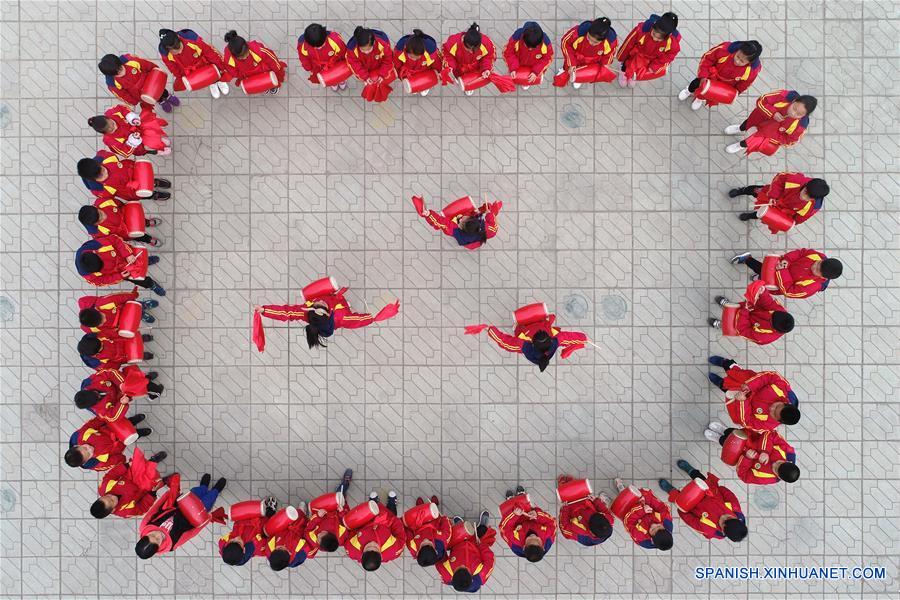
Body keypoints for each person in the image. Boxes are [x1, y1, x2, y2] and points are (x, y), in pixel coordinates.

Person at [254, 281, 400, 351]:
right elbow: (362, 320)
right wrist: (380, 314)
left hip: (334, 301)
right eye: (319, 305)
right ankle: (344, 301)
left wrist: (264, 310)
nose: (318, 301)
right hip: (340, 305)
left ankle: (336, 296)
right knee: (347, 308)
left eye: (316, 304)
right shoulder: (342, 317)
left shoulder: (307, 309)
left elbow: (285, 313)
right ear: (328, 313)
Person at [465, 304, 588, 371]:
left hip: (525, 329)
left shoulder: (523, 346)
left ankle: (520, 327)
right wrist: (583, 338)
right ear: (550, 338)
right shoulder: (555, 341)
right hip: (540, 325)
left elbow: (504, 341)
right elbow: (571, 337)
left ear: (532, 342)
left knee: (517, 330)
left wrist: (489, 329)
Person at [135, 473, 227, 559]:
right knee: (208, 500)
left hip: (181, 504)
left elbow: (156, 507)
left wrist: (169, 494)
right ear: (158, 548)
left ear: (144, 536)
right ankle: (216, 490)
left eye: (152, 535)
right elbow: (191, 533)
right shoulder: (172, 544)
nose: (157, 534)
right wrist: (205, 520)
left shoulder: (144, 526)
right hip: (194, 516)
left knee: (196, 492)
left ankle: (203, 486)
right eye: (158, 540)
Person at [707, 355, 801, 432]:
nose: (772, 408)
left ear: (778, 421)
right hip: (748, 381)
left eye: (773, 413)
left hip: (741, 397)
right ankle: (724, 362)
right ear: (786, 403)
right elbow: (771, 376)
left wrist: (742, 402)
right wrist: (750, 385)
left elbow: (746, 422)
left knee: (727, 389)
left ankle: (720, 383)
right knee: (734, 370)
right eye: (777, 406)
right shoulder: (783, 389)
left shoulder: (767, 425)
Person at [659, 464, 747, 542]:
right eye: (729, 517)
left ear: (723, 530)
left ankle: (670, 489)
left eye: (724, 521)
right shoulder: (736, 509)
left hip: (690, 503)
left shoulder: (709, 529)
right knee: (699, 478)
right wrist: (715, 490)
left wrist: (682, 508)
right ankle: (690, 470)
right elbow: (727, 493)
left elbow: (689, 520)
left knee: (678, 497)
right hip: (707, 490)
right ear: (736, 519)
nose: (723, 516)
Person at [724, 90, 816, 155]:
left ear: (804, 115)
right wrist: (773, 113)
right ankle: (740, 128)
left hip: (765, 134)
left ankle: (740, 145)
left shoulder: (801, 126)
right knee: (747, 123)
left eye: (798, 114)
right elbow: (762, 100)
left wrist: (772, 137)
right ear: (794, 101)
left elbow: (790, 141)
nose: (793, 113)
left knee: (750, 141)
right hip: (759, 118)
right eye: (794, 108)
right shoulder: (785, 96)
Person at [704, 423, 800, 485]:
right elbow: (771, 434)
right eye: (779, 463)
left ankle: (719, 439)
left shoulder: (768, 478)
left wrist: (747, 458)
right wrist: (764, 451)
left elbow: (744, 476)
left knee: (725, 442)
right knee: (731, 432)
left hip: (738, 453)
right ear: (788, 462)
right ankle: (723, 430)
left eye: (775, 469)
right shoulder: (789, 452)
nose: (774, 464)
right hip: (750, 438)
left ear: (779, 477)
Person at [678, 40, 762, 110]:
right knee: (696, 84)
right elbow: (707, 59)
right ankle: (688, 90)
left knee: (708, 94)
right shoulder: (725, 49)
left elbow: (744, 84)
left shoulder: (752, 71)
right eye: (737, 57)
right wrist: (703, 76)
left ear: (750, 62)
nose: (737, 61)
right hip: (709, 75)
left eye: (742, 61)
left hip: (723, 85)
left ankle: (699, 99)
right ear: (738, 50)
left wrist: (733, 93)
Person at [729, 173, 828, 230]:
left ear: (814, 199)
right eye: (805, 192)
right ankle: (741, 191)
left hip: (780, 210)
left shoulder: (812, 208)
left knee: (762, 214)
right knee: (754, 190)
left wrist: (785, 222)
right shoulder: (797, 179)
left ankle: (750, 216)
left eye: (809, 197)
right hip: (771, 194)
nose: (804, 197)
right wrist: (773, 195)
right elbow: (780, 178)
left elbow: (798, 219)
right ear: (806, 185)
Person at [75, 234, 166, 295]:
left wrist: (127, 254)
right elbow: (102, 281)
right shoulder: (88, 276)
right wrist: (119, 276)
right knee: (139, 279)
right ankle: (151, 284)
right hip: (121, 272)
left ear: (95, 252)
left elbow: (115, 240)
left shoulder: (93, 245)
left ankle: (147, 261)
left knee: (139, 259)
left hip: (122, 255)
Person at [731, 249, 842, 299]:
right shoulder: (819, 256)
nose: (814, 266)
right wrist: (787, 259)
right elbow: (801, 253)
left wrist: (782, 271)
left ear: (823, 277)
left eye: (817, 269)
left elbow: (789, 292)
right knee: (761, 270)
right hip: (781, 267)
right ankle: (747, 260)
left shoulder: (811, 287)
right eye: (819, 263)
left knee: (763, 274)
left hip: (779, 282)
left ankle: (757, 272)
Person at [91, 448, 167, 518]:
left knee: (140, 463)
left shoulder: (103, 488)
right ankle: (165, 480)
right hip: (143, 489)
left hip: (131, 475)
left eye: (107, 496)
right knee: (155, 479)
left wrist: (126, 465)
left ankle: (152, 460)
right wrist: (152, 494)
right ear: (113, 510)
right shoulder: (125, 512)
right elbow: (142, 508)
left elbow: (112, 474)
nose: (112, 496)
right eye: (112, 501)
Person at [709, 281, 794, 345]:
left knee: (729, 325)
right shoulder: (780, 313)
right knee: (737, 306)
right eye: (773, 313)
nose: (772, 313)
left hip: (741, 324)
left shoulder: (764, 337)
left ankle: (721, 325)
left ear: (774, 327)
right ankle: (728, 306)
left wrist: (744, 311)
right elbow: (769, 303)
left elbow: (743, 330)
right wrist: (763, 292)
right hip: (750, 311)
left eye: (772, 316)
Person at [299, 469, 354, 566]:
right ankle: (344, 485)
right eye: (321, 534)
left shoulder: (313, 540)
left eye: (318, 538)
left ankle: (342, 488)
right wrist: (342, 511)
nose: (318, 534)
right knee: (340, 498)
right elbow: (346, 522)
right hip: (336, 512)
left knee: (315, 505)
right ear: (331, 533)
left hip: (321, 514)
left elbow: (308, 529)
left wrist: (317, 517)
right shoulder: (341, 535)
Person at [158, 28, 230, 99]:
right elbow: (173, 67)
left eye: (179, 47)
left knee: (215, 72)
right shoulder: (165, 54)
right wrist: (181, 76)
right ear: (167, 49)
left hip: (204, 63)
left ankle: (219, 80)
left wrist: (220, 66)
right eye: (174, 52)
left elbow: (209, 52)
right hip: (189, 70)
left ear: (179, 39)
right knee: (205, 78)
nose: (179, 52)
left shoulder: (191, 39)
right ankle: (212, 83)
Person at [343, 491, 407, 571]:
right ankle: (391, 504)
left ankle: (373, 503)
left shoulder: (351, 549)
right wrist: (392, 519)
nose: (372, 543)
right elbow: (401, 534)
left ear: (362, 554)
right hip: (387, 519)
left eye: (368, 547)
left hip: (366, 519)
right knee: (392, 510)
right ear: (380, 555)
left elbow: (350, 531)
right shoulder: (393, 550)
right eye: (376, 547)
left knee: (371, 507)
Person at [411, 196, 502, 250]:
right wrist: (490, 213)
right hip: (476, 242)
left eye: (461, 221)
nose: (461, 217)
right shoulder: (487, 228)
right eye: (464, 218)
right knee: (475, 211)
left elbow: (440, 222)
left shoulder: (455, 231)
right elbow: (494, 226)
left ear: (461, 228)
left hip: (467, 243)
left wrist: (428, 214)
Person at [98, 52, 180, 112]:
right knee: (155, 98)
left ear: (119, 62)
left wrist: (155, 70)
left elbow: (146, 64)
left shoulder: (131, 61)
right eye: (117, 73)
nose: (121, 72)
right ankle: (161, 102)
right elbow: (123, 95)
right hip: (141, 94)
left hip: (152, 82)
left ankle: (168, 96)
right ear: (110, 74)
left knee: (162, 91)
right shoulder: (113, 84)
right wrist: (133, 101)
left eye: (120, 68)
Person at [616, 12, 680, 88]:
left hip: (650, 60)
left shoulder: (672, 42)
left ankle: (633, 75)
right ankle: (623, 71)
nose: (655, 38)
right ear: (653, 27)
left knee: (639, 70)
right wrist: (621, 57)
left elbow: (669, 55)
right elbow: (628, 44)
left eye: (659, 38)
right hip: (635, 54)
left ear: (669, 35)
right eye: (653, 34)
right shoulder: (641, 30)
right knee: (627, 64)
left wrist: (654, 66)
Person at [65, 414, 149, 471]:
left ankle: (133, 420)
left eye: (84, 447)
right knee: (133, 436)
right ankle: (138, 434)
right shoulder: (98, 464)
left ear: (77, 446)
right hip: (121, 443)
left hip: (113, 427)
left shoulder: (81, 435)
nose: (89, 448)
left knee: (128, 422)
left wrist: (106, 417)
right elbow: (117, 460)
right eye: (88, 453)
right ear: (85, 461)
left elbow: (94, 423)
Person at [78, 151, 171, 202]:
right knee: (142, 194)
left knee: (146, 179)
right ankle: (152, 195)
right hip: (130, 191)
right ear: (93, 180)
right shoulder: (99, 189)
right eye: (100, 176)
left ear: (98, 163)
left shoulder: (105, 157)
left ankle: (153, 182)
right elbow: (109, 198)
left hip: (133, 171)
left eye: (102, 169)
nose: (105, 174)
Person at [77, 367, 164, 421]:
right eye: (98, 398)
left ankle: (146, 378)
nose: (98, 394)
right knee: (147, 388)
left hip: (123, 382)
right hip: (124, 396)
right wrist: (122, 404)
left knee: (138, 377)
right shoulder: (100, 411)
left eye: (95, 392)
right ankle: (155, 394)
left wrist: (122, 384)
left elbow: (109, 372)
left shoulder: (90, 382)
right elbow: (113, 416)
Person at [609, 478, 673, 550]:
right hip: (642, 502)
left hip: (627, 514)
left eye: (652, 530)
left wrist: (642, 510)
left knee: (615, 507)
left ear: (652, 539)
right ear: (666, 529)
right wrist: (645, 497)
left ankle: (610, 502)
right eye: (659, 526)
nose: (654, 525)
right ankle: (622, 491)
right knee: (630, 494)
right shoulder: (667, 523)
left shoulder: (642, 539)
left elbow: (627, 522)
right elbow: (661, 506)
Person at [438, 513, 495, 593]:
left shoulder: (446, 574)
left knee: (454, 534)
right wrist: (481, 546)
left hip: (457, 543)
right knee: (483, 531)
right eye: (465, 568)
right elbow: (490, 558)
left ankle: (460, 527)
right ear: (472, 577)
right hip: (476, 545)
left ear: (453, 576)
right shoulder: (481, 575)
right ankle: (482, 525)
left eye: (458, 568)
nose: (462, 565)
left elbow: (439, 557)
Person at [554, 18, 618, 88]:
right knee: (568, 66)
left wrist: (605, 64)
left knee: (583, 72)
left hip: (592, 61)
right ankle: (564, 70)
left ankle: (579, 78)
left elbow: (609, 55)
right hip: (575, 57)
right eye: (589, 38)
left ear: (603, 40)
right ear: (587, 32)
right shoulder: (578, 33)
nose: (591, 43)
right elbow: (565, 43)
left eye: (595, 42)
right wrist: (571, 63)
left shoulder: (610, 42)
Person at [498, 486, 556, 562]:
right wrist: (538, 514)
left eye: (529, 539)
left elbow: (504, 529)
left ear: (524, 546)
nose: (532, 536)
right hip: (531, 515)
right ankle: (521, 497)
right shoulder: (548, 535)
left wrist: (513, 515)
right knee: (527, 506)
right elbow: (551, 522)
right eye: (537, 539)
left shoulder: (515, 541)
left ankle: (511, 502)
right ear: (542, 546)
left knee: (511, 509)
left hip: (516, 520)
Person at [88, 104, 170, 158]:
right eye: (111, 130)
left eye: (113, 123)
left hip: (139, 128)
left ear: (108, 117)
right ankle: (158, 151)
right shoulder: (109, 141)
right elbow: (125, 152)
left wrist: (132, 118)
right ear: (105, 133)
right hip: (138, 146)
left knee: (153, 132)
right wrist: (133, 140)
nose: (115, 127)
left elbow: (123, 108)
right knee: (148, 147)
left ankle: (160, 140)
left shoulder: (112, 112)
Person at [222, 30, 287, 94]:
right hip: (248, 75)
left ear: (248, 46)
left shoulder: (258, 50)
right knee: (259, 85)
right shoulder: (229, 60)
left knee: (269, 82)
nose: (245, 57)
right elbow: (233, 72)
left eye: (246, 54)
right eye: (241, 57)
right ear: (234, 56)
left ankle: (271, 86)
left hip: (263, 72)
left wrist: (277, 71)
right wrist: (242, 75)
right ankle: (265, 87)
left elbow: (272, 60)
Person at [219, 497, 279, 566]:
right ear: (244, 550)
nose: (237, 538)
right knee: (267, 526)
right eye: (238, 542)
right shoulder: (257, 547)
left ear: (227, 544)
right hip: (258, 530)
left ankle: (257, 510)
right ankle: (270, 510)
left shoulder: (222, 542)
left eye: (232, 541)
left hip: (242, 526)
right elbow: (269, 538)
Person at [556, 475, 614, 546]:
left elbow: (564, 527)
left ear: (590, 531)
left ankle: (566, 485)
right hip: (586, 504)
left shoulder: (580, 534)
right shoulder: (608, 521)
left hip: (573, 511)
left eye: (591, 518)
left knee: (567, 493)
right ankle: (572, 485)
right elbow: (605, 510)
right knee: (580, 493)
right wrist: (596, 501)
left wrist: (564, 510)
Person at [78, 198, 162, 246]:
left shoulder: (103, 202)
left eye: (100, 213)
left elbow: (119, 203)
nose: (103, 217)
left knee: (140, 219)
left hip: (129, 215)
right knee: (139, 236)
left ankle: (146, 222)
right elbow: (113, 240)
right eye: (100, 220)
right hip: (128, 233)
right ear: (94, 224)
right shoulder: (99, 233)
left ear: (95, 207)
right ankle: (148, 239)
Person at [442, 23, 498, 95]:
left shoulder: (486, 43)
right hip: (459, 67)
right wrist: (450, 66)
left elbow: (489, 57)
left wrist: (486, 68)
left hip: (475, 67)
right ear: (463, 41)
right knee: (459, 79)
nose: (471, 52)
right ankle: (466, 84)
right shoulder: (453, 42)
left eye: (474, 49)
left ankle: (470, 86)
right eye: (468, 49)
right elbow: (447, 55)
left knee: (472, 81)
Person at [345, 26, 396, 102]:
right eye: (362, 50)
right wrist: (365, 77)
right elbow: (355, 65)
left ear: (374, 42)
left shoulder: (382, 45)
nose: (366, 52)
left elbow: (388, 60)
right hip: (365, 68)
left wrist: (382, 74)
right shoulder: (352, 50)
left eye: (369, 49)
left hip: (378, 67)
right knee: (370, 84)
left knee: (380, 82)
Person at [78, 287, 155, 334]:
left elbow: (121, 297)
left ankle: (143, 305)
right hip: (122, 322)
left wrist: (133, 295)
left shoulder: (104, 303)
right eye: (101, 323)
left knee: (136, 305)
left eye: (102, 316)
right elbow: (106, 333)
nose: (105, 320)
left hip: (125, 308)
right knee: (135, 317)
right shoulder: (93, 329)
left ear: (97, 310)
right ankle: (141, 316)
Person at [404, 495, 452, 568]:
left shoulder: (412, 546)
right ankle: (434, 506)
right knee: (434, 511)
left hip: (418, 523)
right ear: (435, 550)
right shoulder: (441, 541)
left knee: (419, 511)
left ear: (418, 552)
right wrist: (444, 519)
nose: (426, 540)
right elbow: (447, 529)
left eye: (423, 545)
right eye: (429, 544)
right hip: (434, 521)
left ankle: (420, 507)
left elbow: (408, 532)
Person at [297, 23, 348, 90]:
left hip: (336, 63)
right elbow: (303, 57)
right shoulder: (303, 45)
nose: (320, 47)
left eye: (322, 44)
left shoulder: (334, 39)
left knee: (340, 75)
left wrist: (345, 63)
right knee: (331, 77)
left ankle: (341, 80)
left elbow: (343, 51)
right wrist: (307, 66)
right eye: (317, 47)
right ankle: (334, 83)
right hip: (320, 67)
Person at [503, 21, 553, 88]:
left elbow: (548, 58)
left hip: (533, 65)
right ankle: (514, 74)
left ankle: (524, 82)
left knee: (528, 79)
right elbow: (508, 52)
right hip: (518, 62)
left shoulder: (546, 43)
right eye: (527, 46)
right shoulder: (516, 37)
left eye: (533, 47)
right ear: (523, 37)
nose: (530, 49)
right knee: (513, 73)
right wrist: (513, 67)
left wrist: (536, 71)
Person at [394, 29, 444, 96]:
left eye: (417, 57)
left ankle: (425, 87)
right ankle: (415, 86)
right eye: (411, 57)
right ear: (406, 50)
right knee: (412, 86)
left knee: (425, 84)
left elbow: (436, 63)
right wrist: (400, 74)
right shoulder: (400, 50)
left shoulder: (430, 53)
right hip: (408, 72)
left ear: (422, 53)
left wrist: (438, 72)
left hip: (424, 71)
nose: (414, 59)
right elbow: (397, 63)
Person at [266, 504, 312, 571]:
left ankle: (299, 513)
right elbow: (307, 542)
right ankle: (303, 514)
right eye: (283, 548)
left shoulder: (269, 549)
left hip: (284, 528)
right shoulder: (299, 556)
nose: (281, 546)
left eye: (278, 548)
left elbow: (271, 534)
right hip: (299, 531)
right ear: (289, 553)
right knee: (303, 519)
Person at [78, 331, 153, 369]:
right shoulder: (100, 361)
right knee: (134, 355)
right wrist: (119, 362)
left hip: (121, 341)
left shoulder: (99, 336)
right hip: (122, 356)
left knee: (133, 339)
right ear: (95, 355)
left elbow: (111, 333)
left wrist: (119, 333)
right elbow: (112, 366)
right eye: (101, 347)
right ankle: (142, 356)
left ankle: (141, 338)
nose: (102, 344)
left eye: (101, 342)